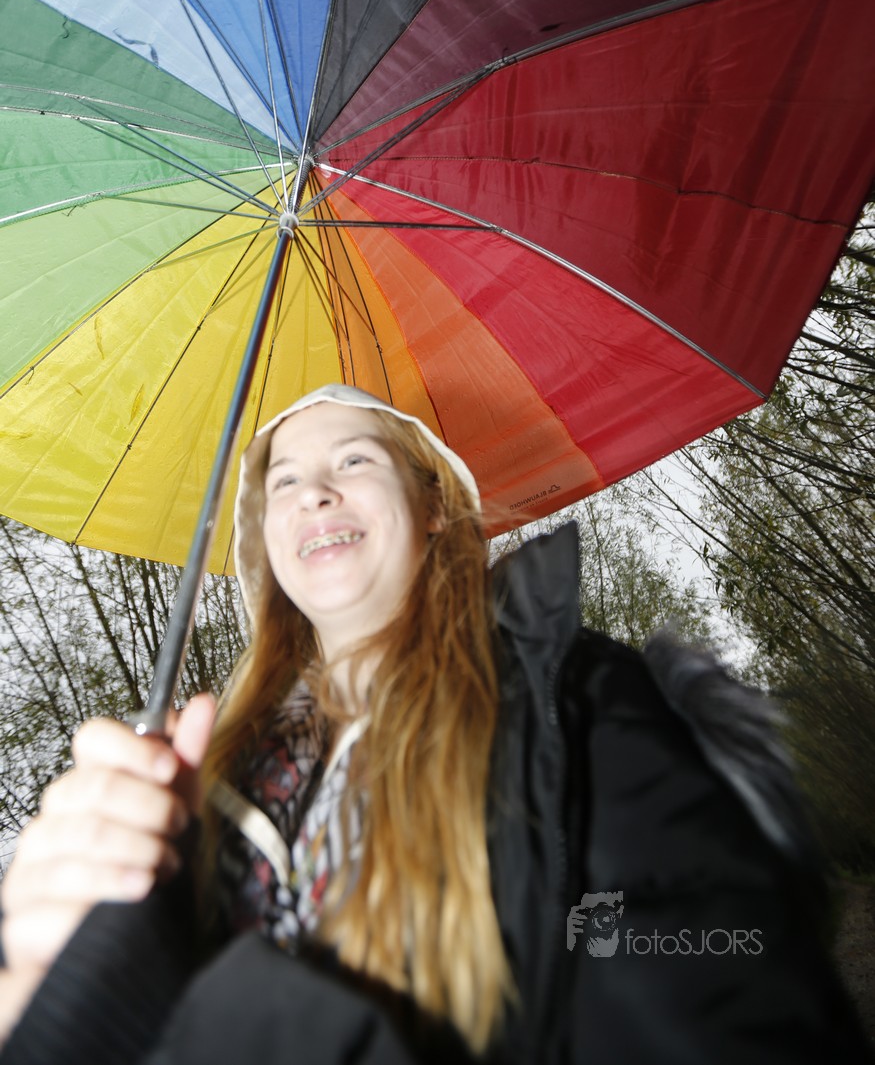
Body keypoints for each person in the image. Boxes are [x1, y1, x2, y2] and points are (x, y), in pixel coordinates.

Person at [0, 384, 871, 1064]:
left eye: (353, 460)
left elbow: (711, 1000)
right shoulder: (203, 779)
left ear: (433, 506)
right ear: (264, 542)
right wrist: (68, 973)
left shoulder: (568, 699)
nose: (315, 493)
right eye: (284, 480)